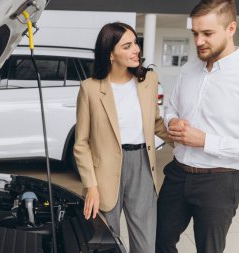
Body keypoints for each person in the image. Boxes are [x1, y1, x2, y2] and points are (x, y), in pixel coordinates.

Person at [156, 1, 239, 253]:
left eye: (207, 33)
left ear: (231, 28)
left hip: (219, 183)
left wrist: (206, 140)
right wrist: (172, 120)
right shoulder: (188, 69)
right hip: (176, 174)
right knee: (160, 243)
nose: (198, 41)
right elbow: (171, 108)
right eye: (195, 33)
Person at [74, 22, 171, 253]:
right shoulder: (89, 88)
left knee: (146, 244)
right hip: (104, 172)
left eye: (135, 43)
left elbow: (155, 122)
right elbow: (81, 143)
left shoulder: (148, 81)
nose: (136, 49)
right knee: (106, 243)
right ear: (110, 54)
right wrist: (91, 186)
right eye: (127, 46)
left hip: (143, 166)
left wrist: (183, 140)